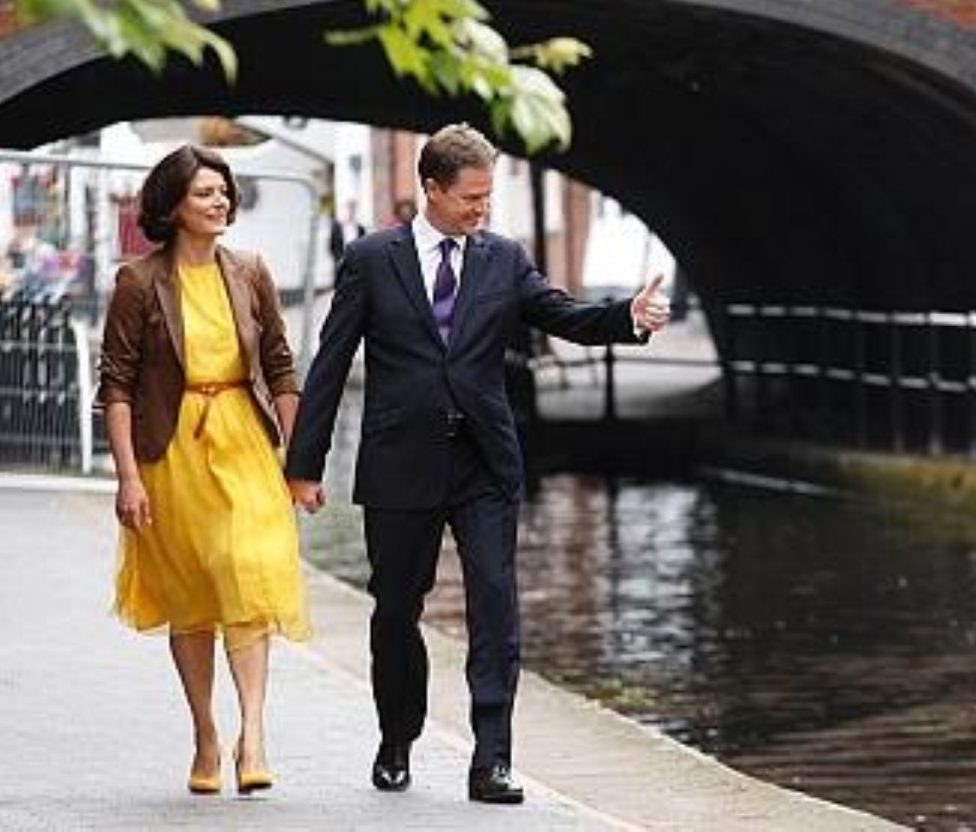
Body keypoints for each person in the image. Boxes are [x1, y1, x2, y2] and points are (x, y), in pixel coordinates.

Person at [285, 123, 670, 805]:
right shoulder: (374, 259)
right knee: (396, 609)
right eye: (470, 198)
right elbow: (333, 360)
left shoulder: (503, 258)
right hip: (401, 462)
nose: (481, 211)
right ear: (429, 189)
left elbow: (564, 315)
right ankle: (397, 735)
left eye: (488, 198)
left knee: (496, 604)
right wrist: (304, 464)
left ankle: (492, 759)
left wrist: (630, 318)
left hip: (485, 463)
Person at [97, 144, 311, 797]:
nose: (218, 201)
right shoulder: (138, 282)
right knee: (193, 592)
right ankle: (205, 734)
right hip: (173, 451)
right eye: (203, 193)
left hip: (245, 443)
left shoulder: (249, 271)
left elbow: (278, 365)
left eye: (223, 191)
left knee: (247, 566)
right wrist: (128, 477)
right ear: (172, 207)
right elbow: (118, 386)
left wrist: (300, 462)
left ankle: (254, 733)